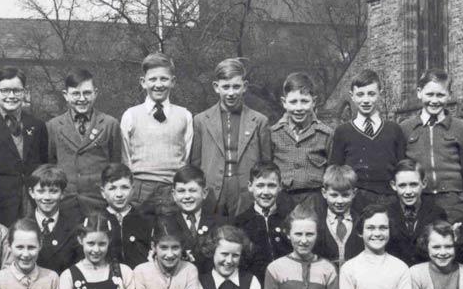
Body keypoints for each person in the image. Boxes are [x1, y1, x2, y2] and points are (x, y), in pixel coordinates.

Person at [189, 57, 271, 218]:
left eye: (236, 86)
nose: (231, 93)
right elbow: (195, 164)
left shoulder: (260, 121)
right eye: (226, 87)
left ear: (245, 86)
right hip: (212, 190)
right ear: (216, 87)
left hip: (246, 191)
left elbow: (266, 164)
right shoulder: (200, 120)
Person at [0, 67, 49, 227]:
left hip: (33, 205)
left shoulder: (37, 126)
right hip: (0, 206)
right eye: (5, 90)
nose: (11, 96)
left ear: (25, 93)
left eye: (16, 91)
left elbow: (44, 166)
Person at [120, 52, 194, 218]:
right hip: (140, 190)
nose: (158, 84)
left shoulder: (185, 115)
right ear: (143, 82)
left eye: (164, 79)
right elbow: (125, 158)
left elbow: (186, 157)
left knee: (170, 239)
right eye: (152, 79)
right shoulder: (131, 115)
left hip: (172, 189)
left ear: (173, 81)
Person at [401, 68, 463, 223]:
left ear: (449, 94)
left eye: (440, 95)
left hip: (453, 203)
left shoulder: (459, 128)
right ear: (419, 93)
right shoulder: (406, 128)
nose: (434, 100)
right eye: (430, 94)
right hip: (420, 201)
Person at [46, 69, 122, 213]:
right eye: (75, 93)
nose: (81, 98)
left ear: (96, 93)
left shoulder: (109, 124)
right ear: (66, 95)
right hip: (64, 202)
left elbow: (115, 165)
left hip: (99, 202)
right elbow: (50, 165)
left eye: (87, 93)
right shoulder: (53, 126)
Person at [328, 69, 406, 208]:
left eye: (371, 94)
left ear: (380, 95)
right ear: (352, 96)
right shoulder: (342, 132)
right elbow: (335, 171)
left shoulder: (394, 130)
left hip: (388, 199)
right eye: (360, 94)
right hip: (354, 201)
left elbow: (402, 169)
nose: (365, 100)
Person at [269, 72, 334, 203]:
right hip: (282, 200)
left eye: (304, 101)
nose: (299, 108)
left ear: (314, 102)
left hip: (316, 200)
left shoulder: (326, 134)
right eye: (293, 102)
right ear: (284, 102)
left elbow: (332, 173)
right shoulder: (273, 133)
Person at [235, 161, 294, 283]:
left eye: (271, 185)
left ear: (280, 186)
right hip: (254, 287)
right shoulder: (240, 223)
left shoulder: (290, 219)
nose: (266, 192)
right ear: (250, 186)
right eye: (260, 185)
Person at [385, 158, 447, 265]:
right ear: (393, 185)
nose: (408, 191)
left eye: (413, 185)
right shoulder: (386, 214)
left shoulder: (436, 213)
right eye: (402, 185)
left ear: (423, 183)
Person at [168, 165, 222, 275]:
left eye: (192, 190)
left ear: (204, 193)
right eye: (181, 191)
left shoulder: (217, 222)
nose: (187, 196)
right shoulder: (167, 223)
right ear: (174, 194)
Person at [28, 164, 80, 275]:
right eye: (41, 191)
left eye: (53, 191)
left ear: (62, 194)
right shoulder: (24, 225)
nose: (47, 197)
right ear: (32, 193)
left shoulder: (74, 226)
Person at [311, 165, 363, 269]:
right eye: (334, 195)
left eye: (345, 195)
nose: (339, 201)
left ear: (354, 193)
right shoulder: (315, 222)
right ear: (324, 193)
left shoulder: (361, 221)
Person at [100, 163, 152, 268]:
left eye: (124, 187)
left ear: (133, 190)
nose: (119, 194)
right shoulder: (98, 220)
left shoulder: (144, 219)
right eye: (112, 188)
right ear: (103, 192)